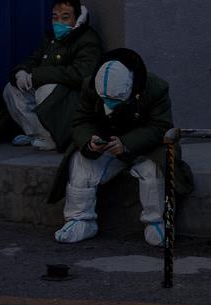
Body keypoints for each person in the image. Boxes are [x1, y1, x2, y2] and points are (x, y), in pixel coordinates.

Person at [47, 48, 193, 247]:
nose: (109, 105)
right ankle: (80, 220)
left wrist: (126, 144)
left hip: (145, 147)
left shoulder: (155, 88)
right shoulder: (89, 85)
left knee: (155, 169)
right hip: (106, 144)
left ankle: (157, 222)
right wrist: (90, 141)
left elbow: (160, 127)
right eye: (105, 99)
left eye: (115, 100)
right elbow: (81, 120)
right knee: (80, 161)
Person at [0, 0, 102, 151]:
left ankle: (55, 138)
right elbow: (33, 59)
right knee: (12, 88)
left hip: (73, 98)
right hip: (52, 91)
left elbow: (82, 73)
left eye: (65, 17)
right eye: (55, 17)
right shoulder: (51, 39)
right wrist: (21, 72)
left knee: (45, 90)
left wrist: (37, 76)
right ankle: (39, 135)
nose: (58, 22)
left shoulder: (87, 39)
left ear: (77, 19)